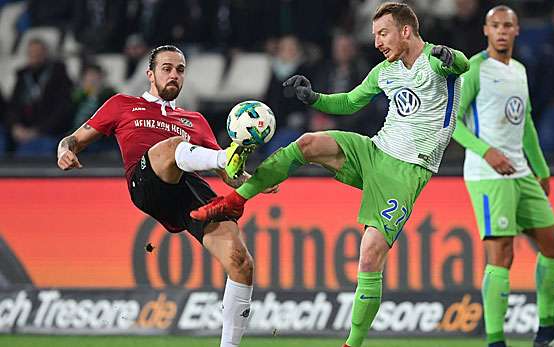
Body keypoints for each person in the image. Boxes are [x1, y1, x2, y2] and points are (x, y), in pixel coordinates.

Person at [192, 3, 469, 347]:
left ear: (406, 31)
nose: (378, 42)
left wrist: (448, 54)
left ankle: (352, 344)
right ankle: (233, 202)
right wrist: (314, 98)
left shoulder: (438, 62)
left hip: (408, 168)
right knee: (308, 143)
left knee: (369, 256)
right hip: (374, 150)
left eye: (383, 34)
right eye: (375, 36)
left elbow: (462, 63)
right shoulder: (385, 71)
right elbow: (351, 102)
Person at [56, 45, 276, 347]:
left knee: (241, 262)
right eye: (167, 68)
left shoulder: (194, 120)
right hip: (146, 182)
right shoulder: (122, 104)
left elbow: (228, 175)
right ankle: (228, 153)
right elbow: (74, 139)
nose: (174, 75)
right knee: (173, 147)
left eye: (180, 70)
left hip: (186, 189)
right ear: (150, 74)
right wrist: (64, 150)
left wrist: (258, 181)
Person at [451, 6, 554, 347]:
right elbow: (451, 122)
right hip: (487, 175)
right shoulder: (474, 68)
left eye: (508, 25)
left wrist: (541, 168)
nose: (501, 31)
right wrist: (484, 150)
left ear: (517, 30)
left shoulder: (519, 69)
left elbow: (526, 122)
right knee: (502, 255)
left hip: (521, 172)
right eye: (495, 25)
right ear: (486, 31)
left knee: (553, 246)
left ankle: (546, 331)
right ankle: (495, 341)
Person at [7, 37, 74, 156]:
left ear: (45, 53)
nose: (35, 55)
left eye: (38, 52)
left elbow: (62, 109)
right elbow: (14, 105)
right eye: (31, 53)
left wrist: (39, 131)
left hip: (50, 133)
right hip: (24, 133)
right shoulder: (23, 76)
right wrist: (15, 126)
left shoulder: (58, 74)